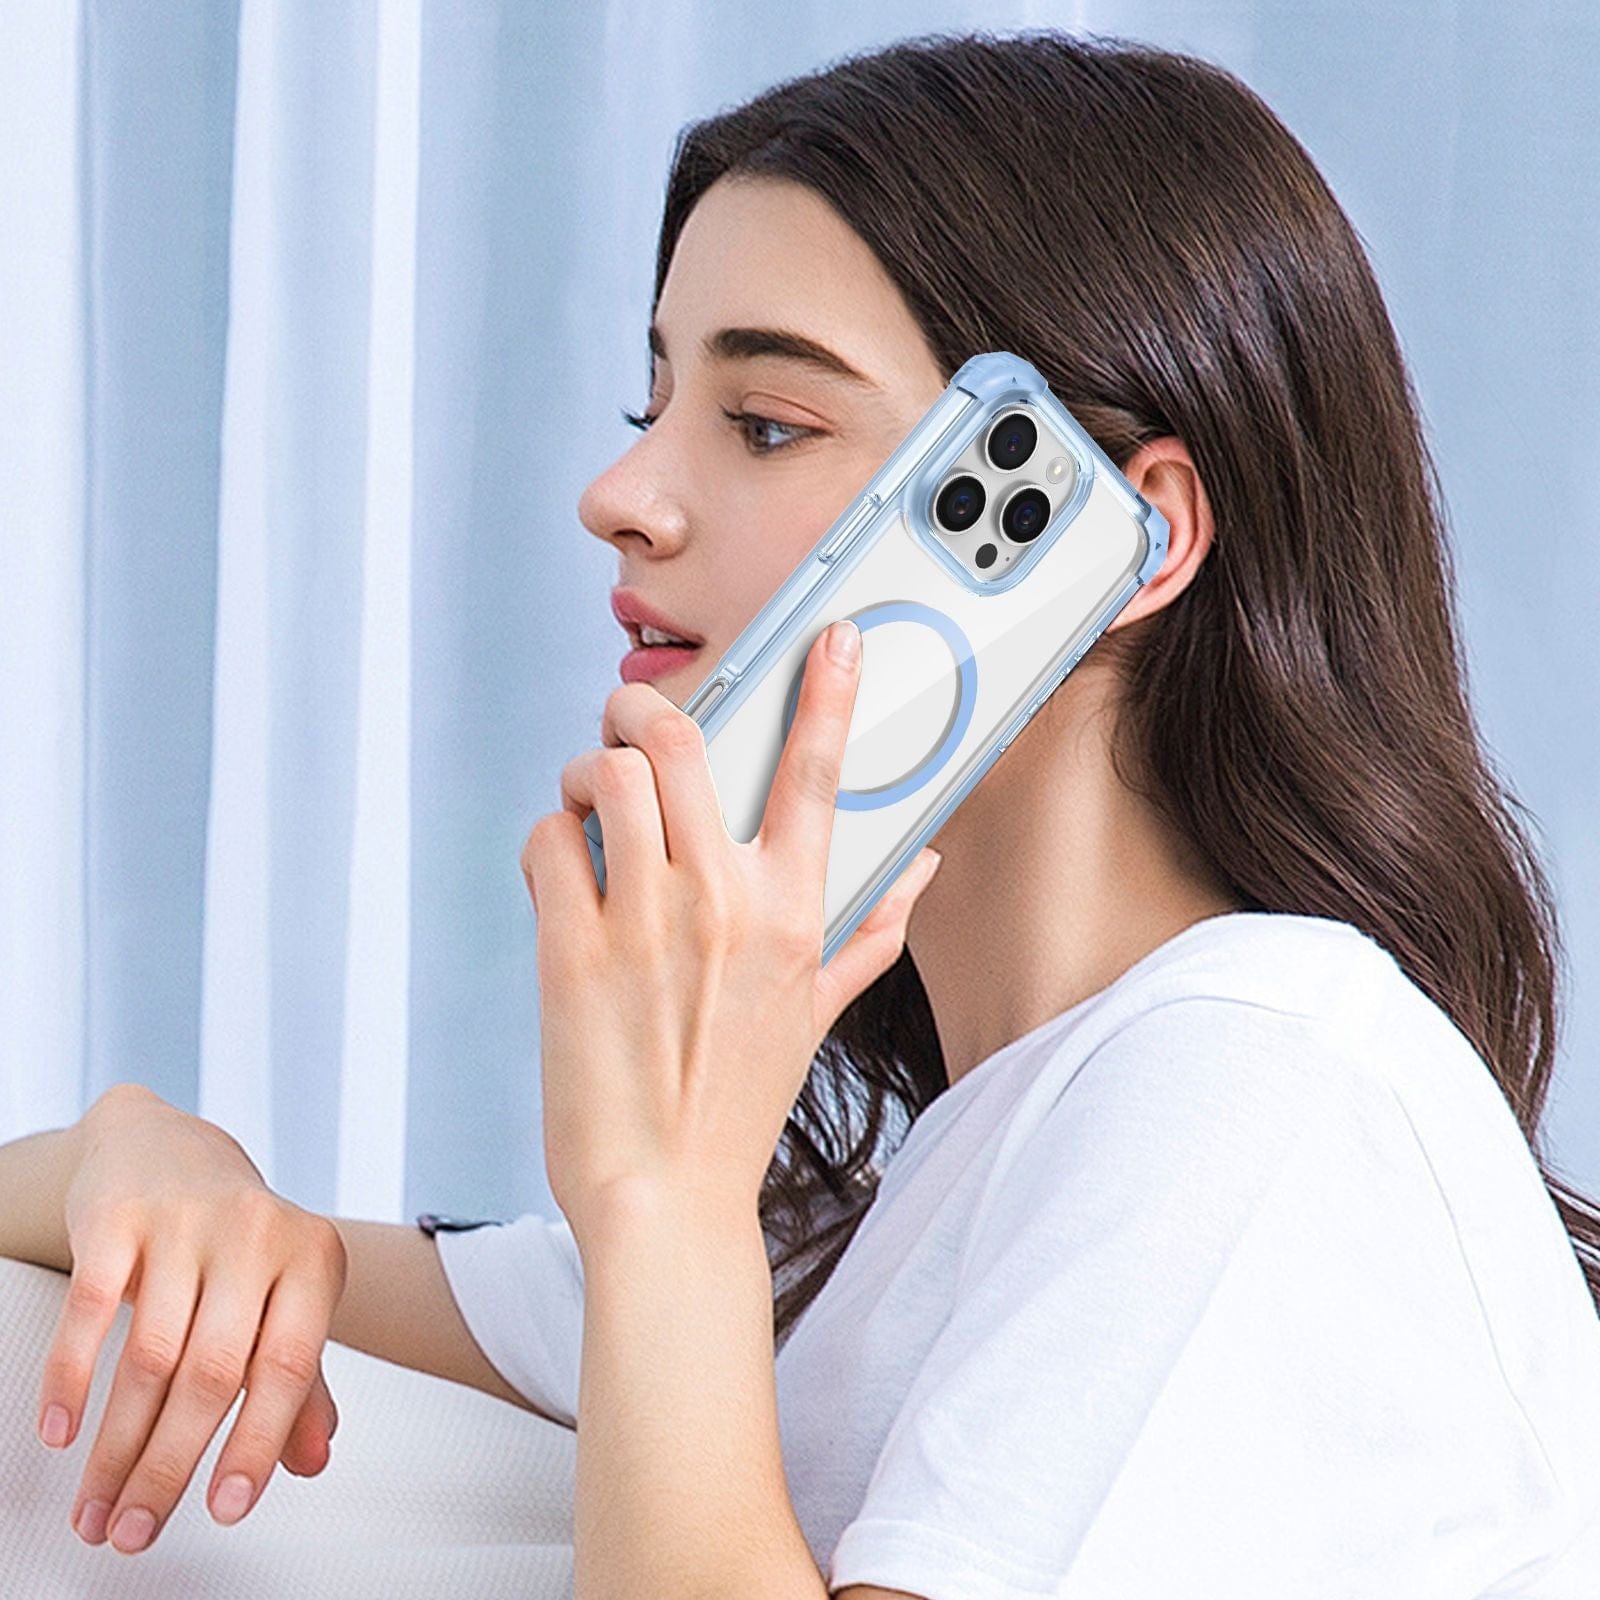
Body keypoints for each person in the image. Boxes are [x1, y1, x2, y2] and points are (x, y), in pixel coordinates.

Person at [3, 27, 1599, 1598]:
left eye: (765, 423)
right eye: (653, 406)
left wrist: (665, 1192)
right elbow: (145, 1266)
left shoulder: (1266, 1071)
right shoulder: (859, 1233)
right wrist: (142, 1156)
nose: (618, 494)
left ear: (1125, 539)